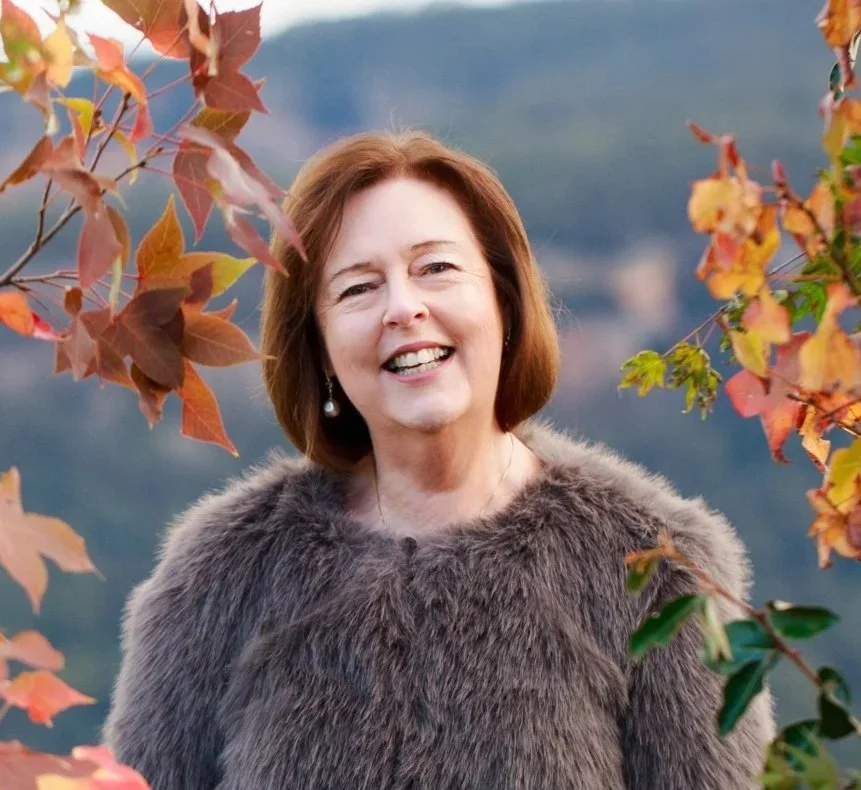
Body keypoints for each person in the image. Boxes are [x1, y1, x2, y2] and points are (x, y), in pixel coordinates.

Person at [103, 130, 775, 789]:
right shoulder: (217, 574)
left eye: (435, 269)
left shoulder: (660, 564)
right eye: (358, 288)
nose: (403, 307)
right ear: (319, 346)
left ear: (502, 301)